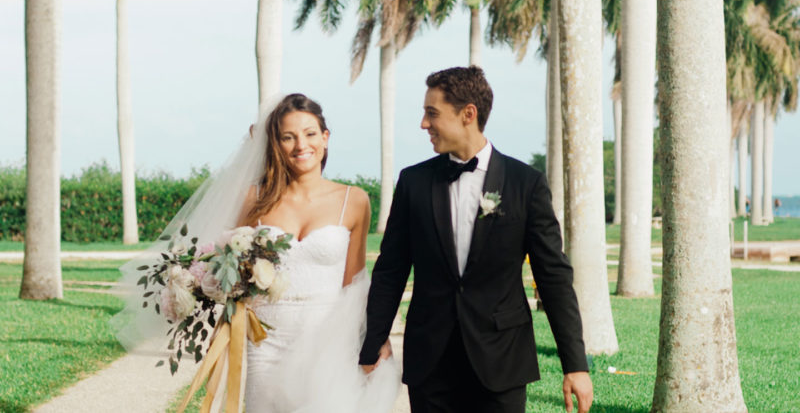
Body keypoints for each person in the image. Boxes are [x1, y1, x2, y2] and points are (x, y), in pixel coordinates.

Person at [112, 93, 399, 413]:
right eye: (287, 137)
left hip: (328, 339)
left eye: (310, 134)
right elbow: (229, 266)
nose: (301, 145)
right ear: (275, 144)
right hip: (266, 341)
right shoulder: (253, 199)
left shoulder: (354, 200)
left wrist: (375, 337)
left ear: (325, 138)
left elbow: (355, 283)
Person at [359, 67, 593, 413]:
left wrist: (575, 364)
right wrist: (374, 339)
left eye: (432, 113)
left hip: (502, 361)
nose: (424, 124)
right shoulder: (413, 183)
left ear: (468, 114)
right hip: (430, 363)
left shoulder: (525, 184)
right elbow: (391, 268)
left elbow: (553, 277)